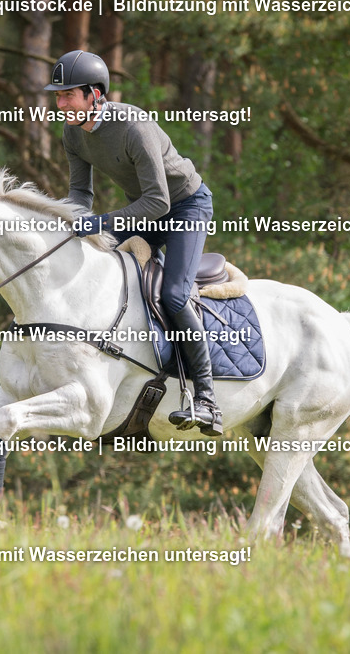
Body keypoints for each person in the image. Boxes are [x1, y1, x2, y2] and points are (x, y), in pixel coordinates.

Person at [44, 50, 223, 437]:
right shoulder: (73, 131)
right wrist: (70, 225)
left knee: (174, 295)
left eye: (67, 95)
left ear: (94, 94)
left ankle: (207, 399)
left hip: (184, 207)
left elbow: (159, 201)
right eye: (56, 96)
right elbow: (79, 191)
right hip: (145, 210)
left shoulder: (133, 126)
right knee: (91, 256)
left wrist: (102, 223)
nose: (59, 104)